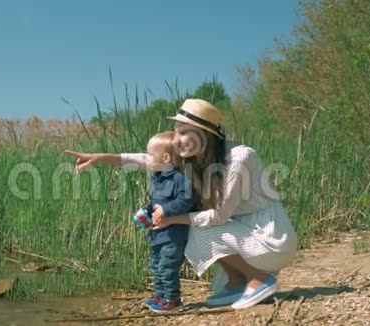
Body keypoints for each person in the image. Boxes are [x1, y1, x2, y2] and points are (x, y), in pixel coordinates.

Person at [65, 99, 298, 309]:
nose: (176, 140)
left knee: (192, 226)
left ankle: (258, 278)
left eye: (184, 133)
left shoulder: (239, 157)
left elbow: (218, 217)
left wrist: (170, 218)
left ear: (204, 135)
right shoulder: (197, 156)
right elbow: (150, 160)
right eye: (176, 132)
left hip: (270, 237)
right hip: (241, 233)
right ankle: (238, 281)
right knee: (193, 228)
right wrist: (101, 158)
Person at [139, 131, 195, 312]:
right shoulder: (157, 180)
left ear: (165, 157)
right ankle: (160, 295)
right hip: (158, 233)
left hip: (174, 234)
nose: (146, 159)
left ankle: (173, 301)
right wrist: (147, 211)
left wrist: (166, 209)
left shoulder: (180, 179)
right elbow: (156, 204)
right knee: (155, 265)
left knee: (167, 266)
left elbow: (186, 201)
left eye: (149, 155)